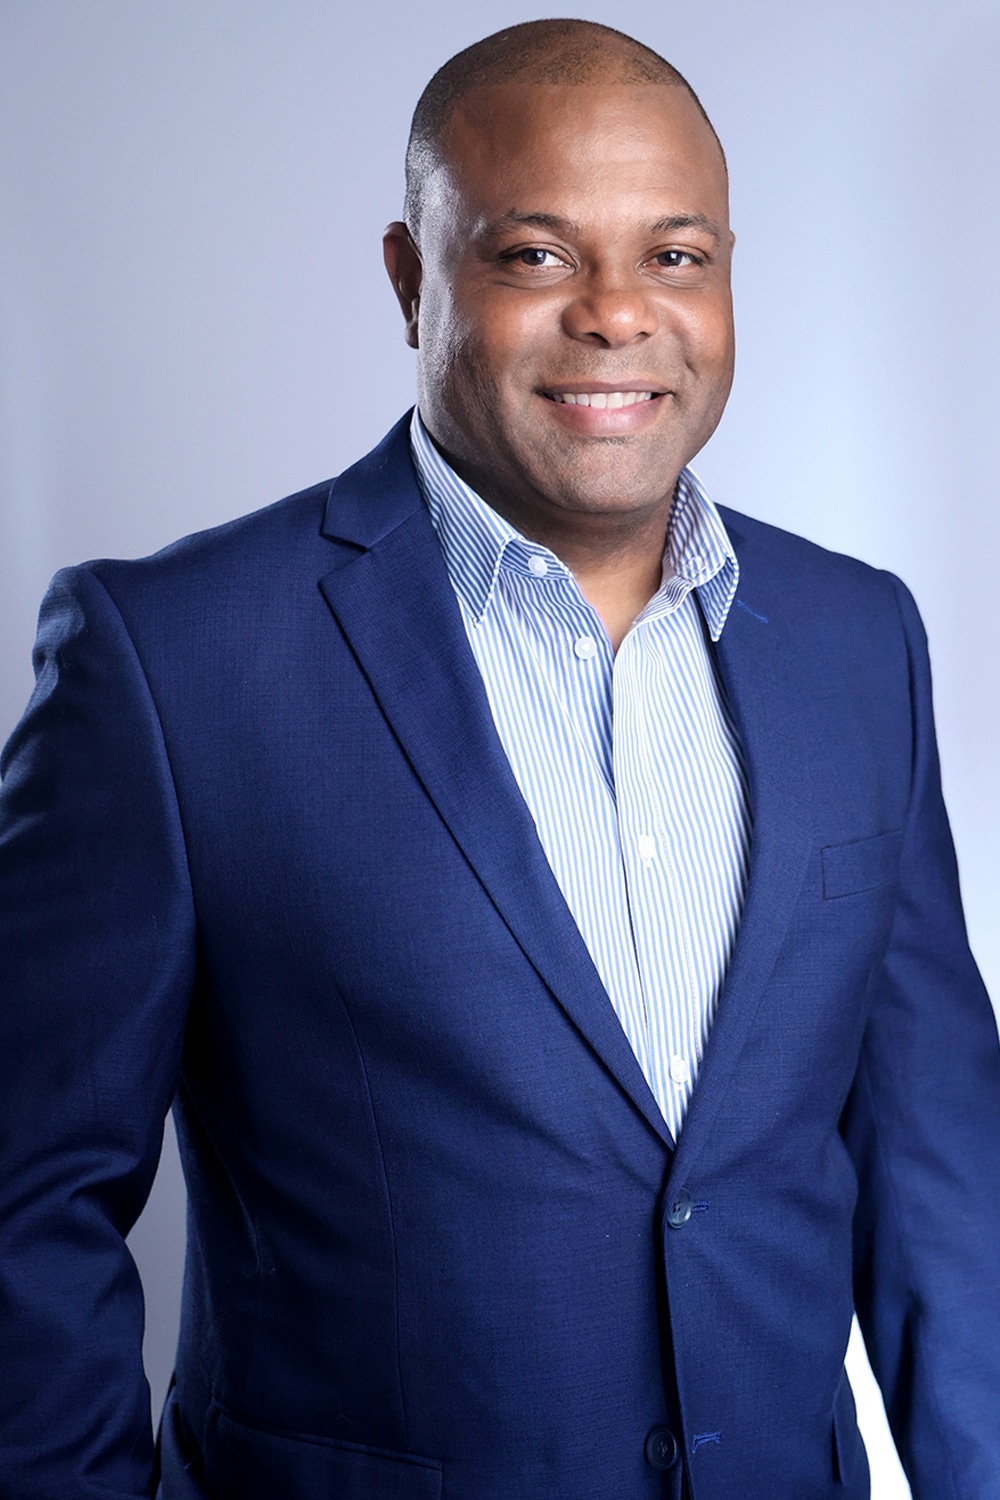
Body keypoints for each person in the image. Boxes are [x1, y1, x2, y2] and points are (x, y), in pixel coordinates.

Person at [1, 17, 999, 1499]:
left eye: (676, 256)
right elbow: (29, 1198)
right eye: (535, 255)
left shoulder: (861, 643)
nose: (616, 315)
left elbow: (942, 1179)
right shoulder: (172, 662)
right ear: (412, 280)